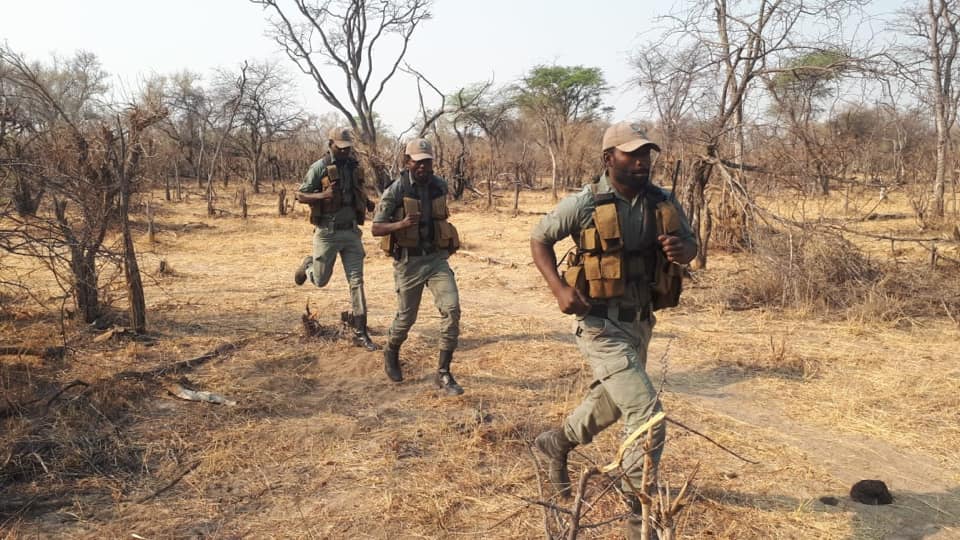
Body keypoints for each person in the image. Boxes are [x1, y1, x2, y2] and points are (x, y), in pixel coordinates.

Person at [529, 122, 697, 538]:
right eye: (631, 154)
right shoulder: (585, 202)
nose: (642, 162)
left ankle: (556, 442)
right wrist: (559, 289)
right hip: (599, 323)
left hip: (641, 321)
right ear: (609, 159)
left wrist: (683, 250)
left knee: (612, 403)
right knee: (647, 415)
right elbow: (539, 239)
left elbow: (690, 244)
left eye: (646, 154)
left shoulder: (662, 201)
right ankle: (638, 515)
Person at [371, 138, 464, 396]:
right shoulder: (396, 190)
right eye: (418, 162)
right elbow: (376, 228)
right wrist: (400, 225)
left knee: (452, 310)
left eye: (427, 162)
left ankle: (443, 372)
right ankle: (391, 350)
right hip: (409, 262)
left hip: (435, 260)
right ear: (407, 162)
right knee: (406, 318)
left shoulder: (439, 186)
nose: (423, 166)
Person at [293, 127, 377, 351]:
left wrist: (367, 203)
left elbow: (357, 190)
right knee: (320, 280)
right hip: (327, 233)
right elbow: (300, 195)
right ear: (330, 144)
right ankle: (308, 265)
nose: (344, 152)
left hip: (351, 233)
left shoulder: (354, 167)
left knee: (357, 282)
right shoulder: (319, 167)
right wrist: (323, 195)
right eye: (340, 148)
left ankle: (360, 332)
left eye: (347, 148)